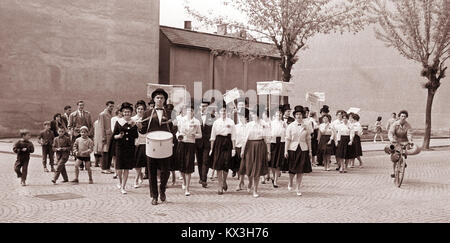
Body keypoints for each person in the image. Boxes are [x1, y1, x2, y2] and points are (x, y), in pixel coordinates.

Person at [139, 88, 174, 205]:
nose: (159, 100)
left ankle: (162, 189)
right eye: (157, 98)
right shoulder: (147, 113)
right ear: (154, 99)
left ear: (164, 100)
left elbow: (173, 130)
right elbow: (143, 131)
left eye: (162, 98)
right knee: (152, 171)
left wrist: (176, 126)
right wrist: (139, 126)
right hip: (152, 146)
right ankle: (154, 196)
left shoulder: (169, 113)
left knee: (166, 171)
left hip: (165, 146)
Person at [239, 105, 270, 198]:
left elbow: (267, 139)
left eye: (253, 113)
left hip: (260, 146)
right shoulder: (249, 125)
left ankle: (255, 189)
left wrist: (268, 152)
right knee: (249, 167)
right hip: (249, 147)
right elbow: (245, 138)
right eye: (251, 113)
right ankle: (250, 182)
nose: (252, 115)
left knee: (257, 169)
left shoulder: (264, 124)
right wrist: (242, 150)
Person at [285, 106, 312, 196]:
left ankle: (298, 188)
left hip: (303, 148)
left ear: (302, 115)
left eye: (300, 114)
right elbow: (288, 139)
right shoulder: (291, 126)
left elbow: (308, 138)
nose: (298, 116)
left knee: (300, 170)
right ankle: (290, 182)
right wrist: (285, 150)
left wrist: (310, 150)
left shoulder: (307, 125)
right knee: (292, 169)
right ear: (294, 116)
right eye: (296, 114)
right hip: (293, 148)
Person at [210, 102, 236, 195]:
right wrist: (211, 149)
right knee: (218, 165)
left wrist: (233, 148)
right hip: (218, 143)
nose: (223, 112)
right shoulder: (216, 122)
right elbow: (212, 136)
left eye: (224, 111)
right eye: (221, 111)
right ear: (218, 112)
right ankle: (220, 185)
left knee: (226, 164)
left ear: (227, 112)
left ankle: (224, 180)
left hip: (228, 143)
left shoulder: (231, 122)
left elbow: (233, 136)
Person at [113, 102, 139, 194]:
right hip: (120, 147)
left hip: (129, 147)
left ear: (131, 113)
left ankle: (123, 187)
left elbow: (136, 135)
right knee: (119, 168)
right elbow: (114, 136)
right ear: (122, 113)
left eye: (128, 112)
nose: (127, 113)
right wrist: (118, 136)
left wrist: (136, 126)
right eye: (125, 112)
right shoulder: (118, 122)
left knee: (126, 168)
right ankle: (120, 182)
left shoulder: (133, 123)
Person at [177, 105, 202, 196]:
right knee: (181, 165)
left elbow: (200, 135)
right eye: (187, 110)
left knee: (188, 165)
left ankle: (187, 188)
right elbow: (178, 131)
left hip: (191, 144)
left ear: (193, 112)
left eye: (190, 111)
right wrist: (178, 136)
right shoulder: (181, 120)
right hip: (182, 143)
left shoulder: (197, 121)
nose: (189, 112)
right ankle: (183, 181)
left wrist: (194, 135)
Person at [387, 110, 420, 178]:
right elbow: (390, 132)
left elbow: (409, 134)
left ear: (406, 117)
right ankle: (394, 172)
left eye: (405, 116)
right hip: (396, 141)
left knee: (404, 151)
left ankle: (403, 161)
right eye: (402, 116)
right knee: (395, 157)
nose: (403, 117)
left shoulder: (408, 125)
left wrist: (410, 140)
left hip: (405, 141)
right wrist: (391, 139)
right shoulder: (395, 124)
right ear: (399, 116)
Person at [195, 99, 216, 188]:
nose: (203, 108)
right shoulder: (195, 117)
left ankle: (204, 179)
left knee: (205, 160)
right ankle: (201, 177)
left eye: (205, 106)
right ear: (199, 107)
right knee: (199, 161)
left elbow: (214, 130)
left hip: (207, 142)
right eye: (202, 106)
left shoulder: (212, 117)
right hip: (197, 142)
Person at [268, 108, 286, 188]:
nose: (278, 116)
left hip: (281, 142)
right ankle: (273, 175)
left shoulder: (283, 123)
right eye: (277, 115)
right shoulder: (271, 123)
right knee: (272, 162)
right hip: (273, 142)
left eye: (280, 115)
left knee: (278, 162)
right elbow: (268, 133)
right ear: (274, 116)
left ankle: (275, 180)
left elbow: (286, 132)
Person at [132, 100, 147, 188]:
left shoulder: (146, 119)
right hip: (136, 143)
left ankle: (139, 177)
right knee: (137, 163)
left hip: (145, 142)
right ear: (136, 109)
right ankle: (137, 179)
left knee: (143, 162)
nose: (140, 110)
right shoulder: (132, 119)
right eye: (138, 109)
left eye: (141, 109)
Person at [234, 108, 249, 191]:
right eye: (239, 115)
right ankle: (241, 181)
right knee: (238, 167)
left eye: (242, 115)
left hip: (247, 148)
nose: (240, 117)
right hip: (238, 147)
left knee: (243, 167)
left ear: (246, 117)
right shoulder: (236, 127)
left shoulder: (249, 126)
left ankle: (240, 183)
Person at [98, 101, 115, 174]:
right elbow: (101, 126)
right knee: (105, 152)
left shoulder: (111, 114)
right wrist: (103, 137)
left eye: (112, 106)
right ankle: (104, 168)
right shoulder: (102, 114)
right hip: (106, 135)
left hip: (111, 135)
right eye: (110, 106)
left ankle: (108, 167)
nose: (111, 108)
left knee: (109, 152)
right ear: (107, 106)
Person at [110, 106, 123, 179]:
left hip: (123, 139)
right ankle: (116, 171)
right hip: (115, 138)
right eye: (120, 111)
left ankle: (121, 170)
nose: (121, 113)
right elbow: (113, 129)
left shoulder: (124, 119)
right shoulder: (114, 119)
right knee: (115, 156)